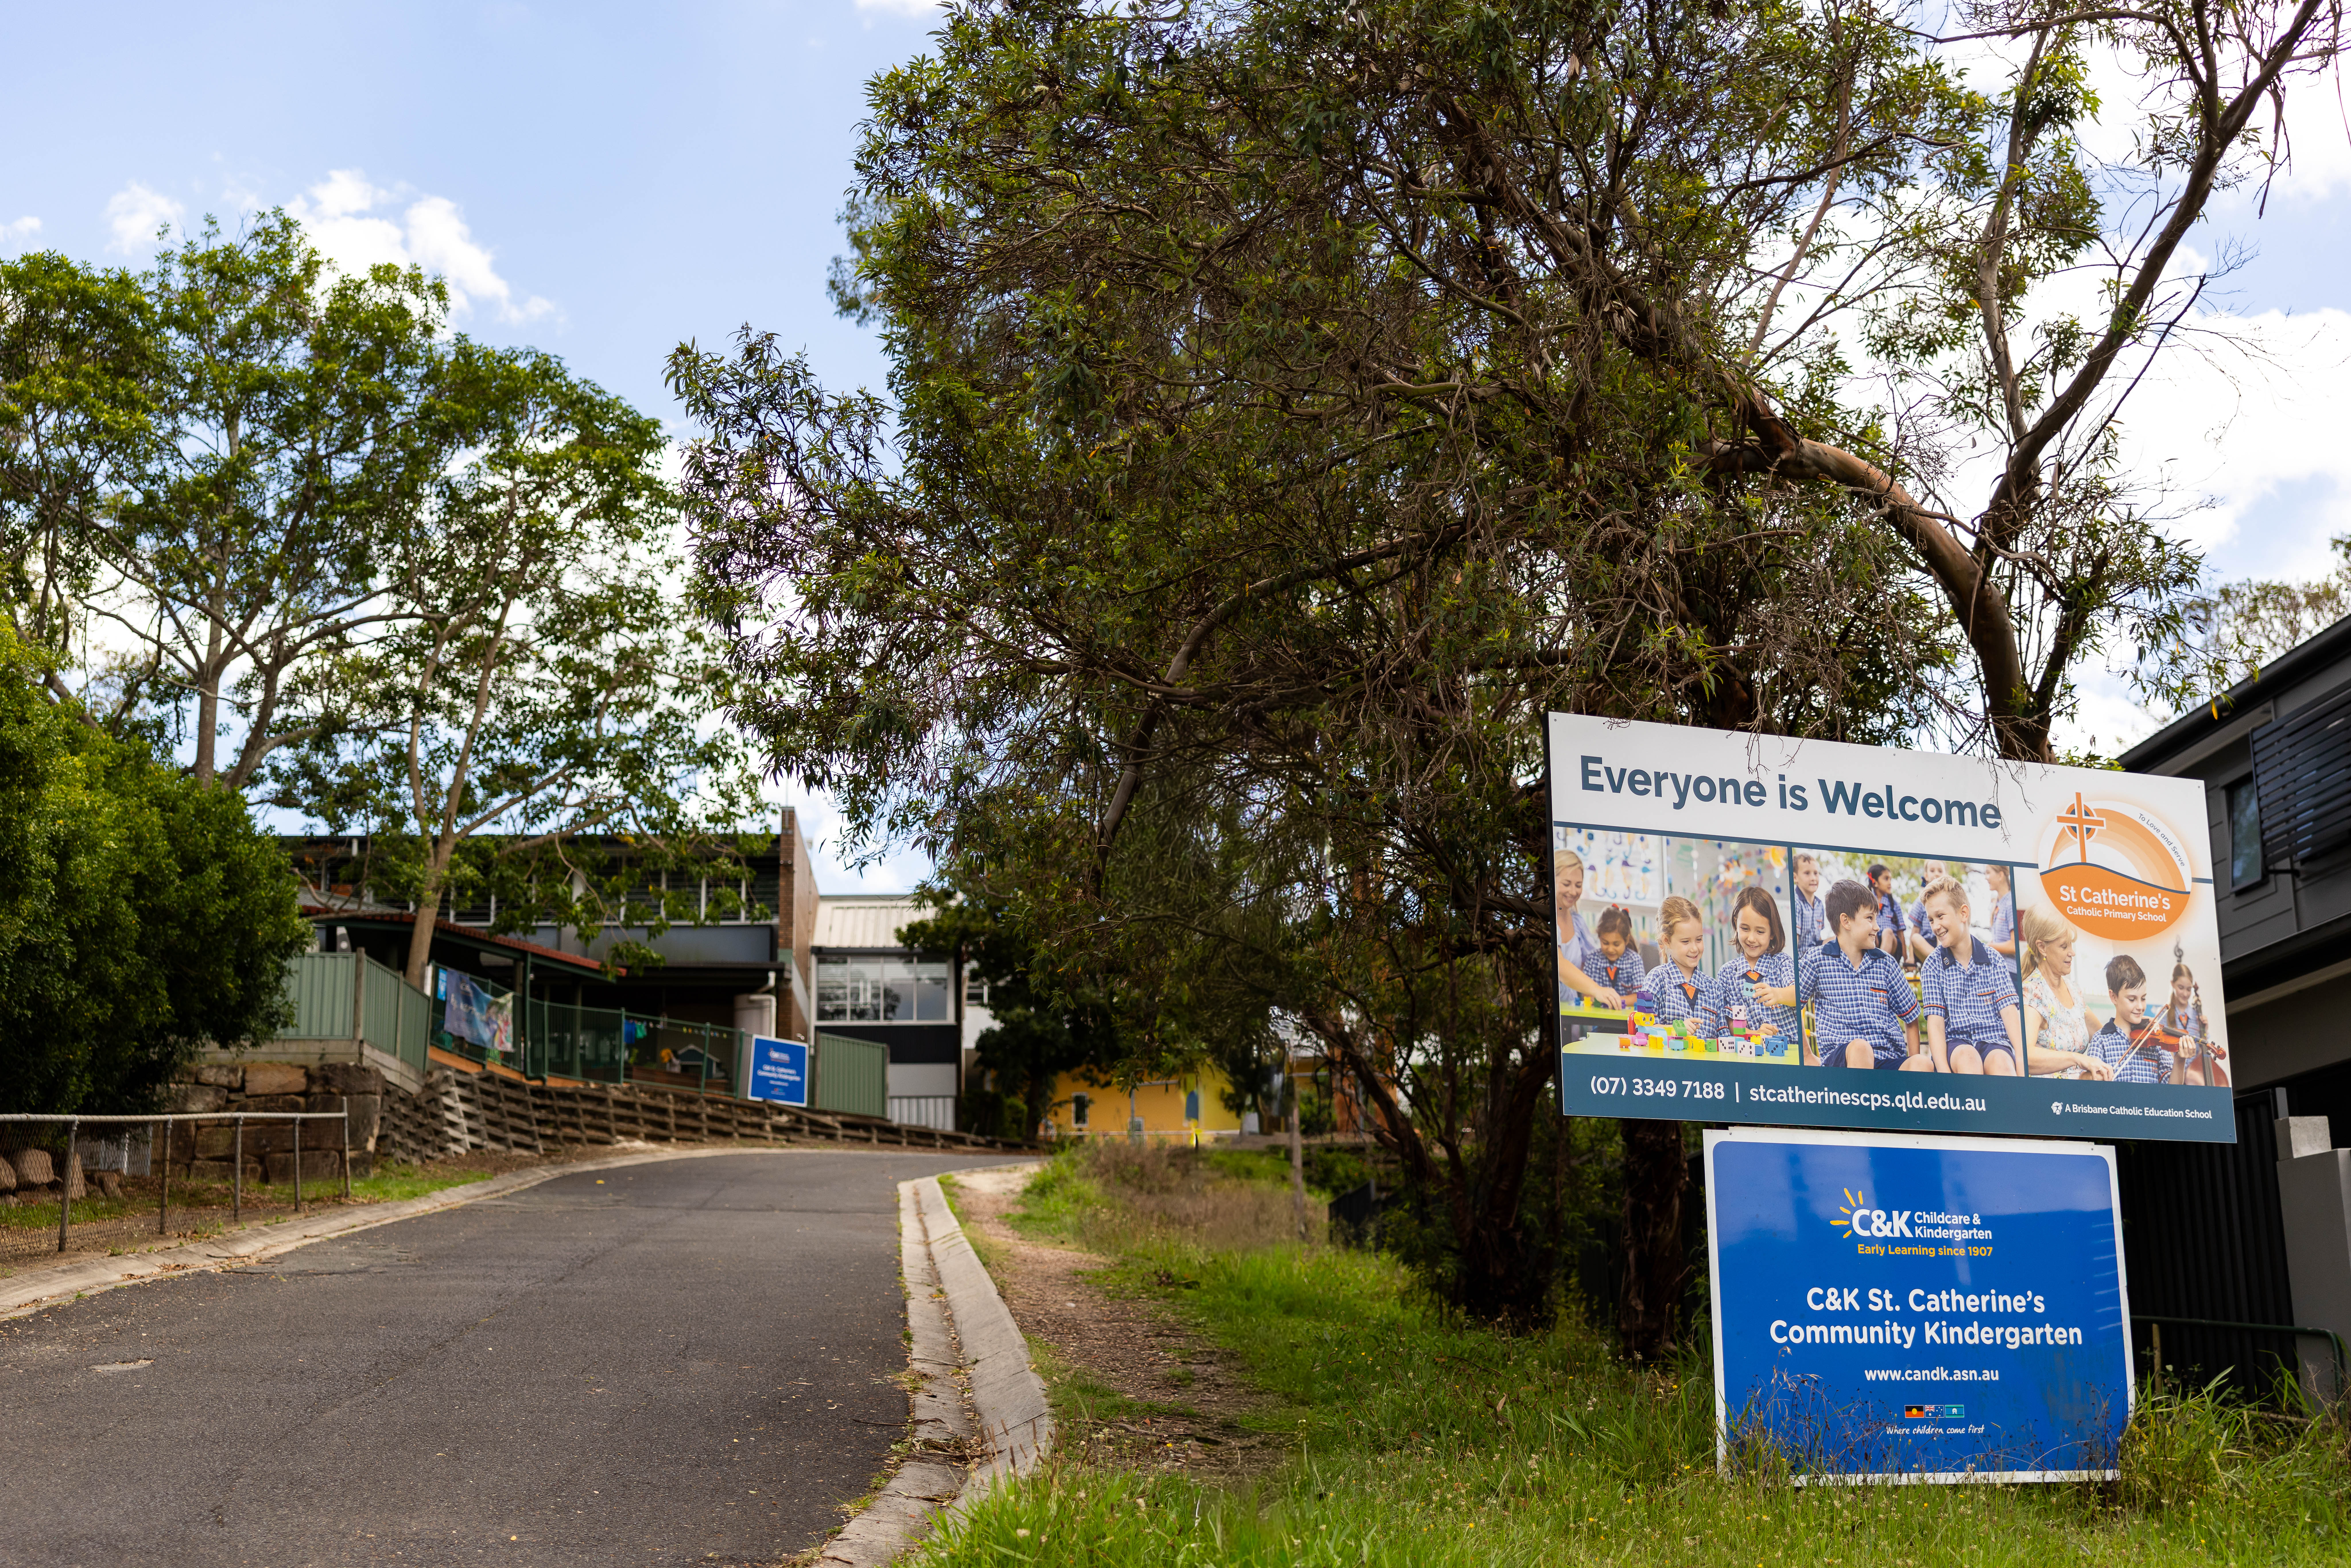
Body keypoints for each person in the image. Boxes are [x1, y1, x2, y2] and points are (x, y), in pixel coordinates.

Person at [1800, 878, 1927, 1070]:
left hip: (1887, 1059)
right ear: (1846, 921)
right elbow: (1791, 1004)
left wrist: (1913, 1059)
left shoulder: (1886, 964)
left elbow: (1911, 1018)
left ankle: (1902, 1094)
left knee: (1923, 1064)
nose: (1877, 927)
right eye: (1870, 918)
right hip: (1844, 1060)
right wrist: (1807, 1056)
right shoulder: (1817, 959)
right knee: (1861, 1048)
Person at [1917, 876, 2021, 1076]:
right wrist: (1944, 1072)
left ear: (1963, 913)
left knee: (2002, 1062)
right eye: (1931, 920)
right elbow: (1936, 1025)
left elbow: (2010, 1015)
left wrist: (2022, 1063)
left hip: (1994, 1040)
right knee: (1968, 1058)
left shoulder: (1994, 959)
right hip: (1956, 1045)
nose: (1936, 926)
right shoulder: (1933, 966)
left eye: (1940, 916)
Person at [2019, 905, 2112, 1080]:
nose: (2072, 953)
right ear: (2042, 948)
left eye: (2071, 945)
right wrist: (2076, 1058)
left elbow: (2103, 1035)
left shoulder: (2074, 991)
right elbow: (2026, 1056)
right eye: (2064, 946)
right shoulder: (2033, 993)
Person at [1707, 886, 1800, 1055]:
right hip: (1752, 1053)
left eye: (1760, 931)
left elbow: (1798, 994)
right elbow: (1730, 1023)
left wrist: (1778, 995)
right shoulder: (1728, 973)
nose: (1751, 938)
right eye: (1745, 929)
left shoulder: (1781, 963)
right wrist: (1755, 1034)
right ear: (1736, 923)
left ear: (1773, 933)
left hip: (1791, 1051)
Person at [2088, 955, 2189, 1085]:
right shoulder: (2101, 1041)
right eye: (2132, 999)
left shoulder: (2154, 1038)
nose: (2140, 1007)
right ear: (2114, 997)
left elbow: (2171, 1093)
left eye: (2144, 999)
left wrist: (2180, 1060)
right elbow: (2091, 1092)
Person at [1554, 849, 1628, 1008]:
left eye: (1578, 885)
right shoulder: (1546, 920)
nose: (1573, 892)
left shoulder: (1578, 923)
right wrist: (1598, 990)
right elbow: (1560, 966)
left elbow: (1592, 963)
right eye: (1566, 884)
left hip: (1571, 1011)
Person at [1636, 896, 1712, 1030]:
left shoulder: (1713, 988)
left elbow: (1723, 1036)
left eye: (1699, 940)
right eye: (1686, 942)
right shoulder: (1656, 980)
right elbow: (1643, 1028)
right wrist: (1675, 1029)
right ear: (1667, 941)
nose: (1695, 948)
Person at [2162, 960, 2229, 1087]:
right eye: (2181, 988)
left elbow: (2205, 1048)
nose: (2186, 994)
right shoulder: (2165, 1015)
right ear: (2172, 984)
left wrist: (2205, 1032)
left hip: (2196, 1079)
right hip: (2175, 1078)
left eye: (2189, 989)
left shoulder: (2197, 1016)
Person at [1591, 905, 1646, 1001]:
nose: (1611, 950)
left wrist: (1614, 1001)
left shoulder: (1634, 961)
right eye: (1605, 943)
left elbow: (1640, 997)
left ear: (1626, 940)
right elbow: (1587, 995)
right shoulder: (1593, 959)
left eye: (1616, 944)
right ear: (1600, 938)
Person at [1904, 860, 1948, 964]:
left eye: (1940, 871)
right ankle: (1939, 962)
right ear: (1927, 876)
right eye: (1933, 871)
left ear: (1946, 875)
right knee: (1916, 938)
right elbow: (1915, 931)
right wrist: (1911, 958)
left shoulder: (1948, 900)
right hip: (1927, 944)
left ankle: (1943, 958)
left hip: (1944, 941)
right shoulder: (1921, 902)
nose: (1937, 873)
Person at [1790, 853, 1829, 951]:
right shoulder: (1795, 903)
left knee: (1838, 940)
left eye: (1816, 873)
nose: (1813, 878)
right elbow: (1794, 944)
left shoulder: (1819, 905)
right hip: (1801, 959)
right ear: (1795, 878)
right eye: (1807, 873)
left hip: (1814, 956)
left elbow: (1818, 939)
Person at [1867, 863, 1906, 958]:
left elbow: (1901, 933)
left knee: (1888, 932)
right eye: (1886, 879)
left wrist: (1906, 959)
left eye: (1890, 879)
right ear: (1875, 883)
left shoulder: (1894, 905)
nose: (1890, 883)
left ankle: (1880, 963)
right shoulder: (1867, 904)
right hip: (1874, 942)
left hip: (1893, 943)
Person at [1985, 865, 2017, 959]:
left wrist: (1990, 947)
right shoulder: (1998, 905)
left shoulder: (2011, 903)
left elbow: (2015, 946)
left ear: (2000, 876)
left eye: (1988, 873)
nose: (1986, 878)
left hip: (2011, 971)